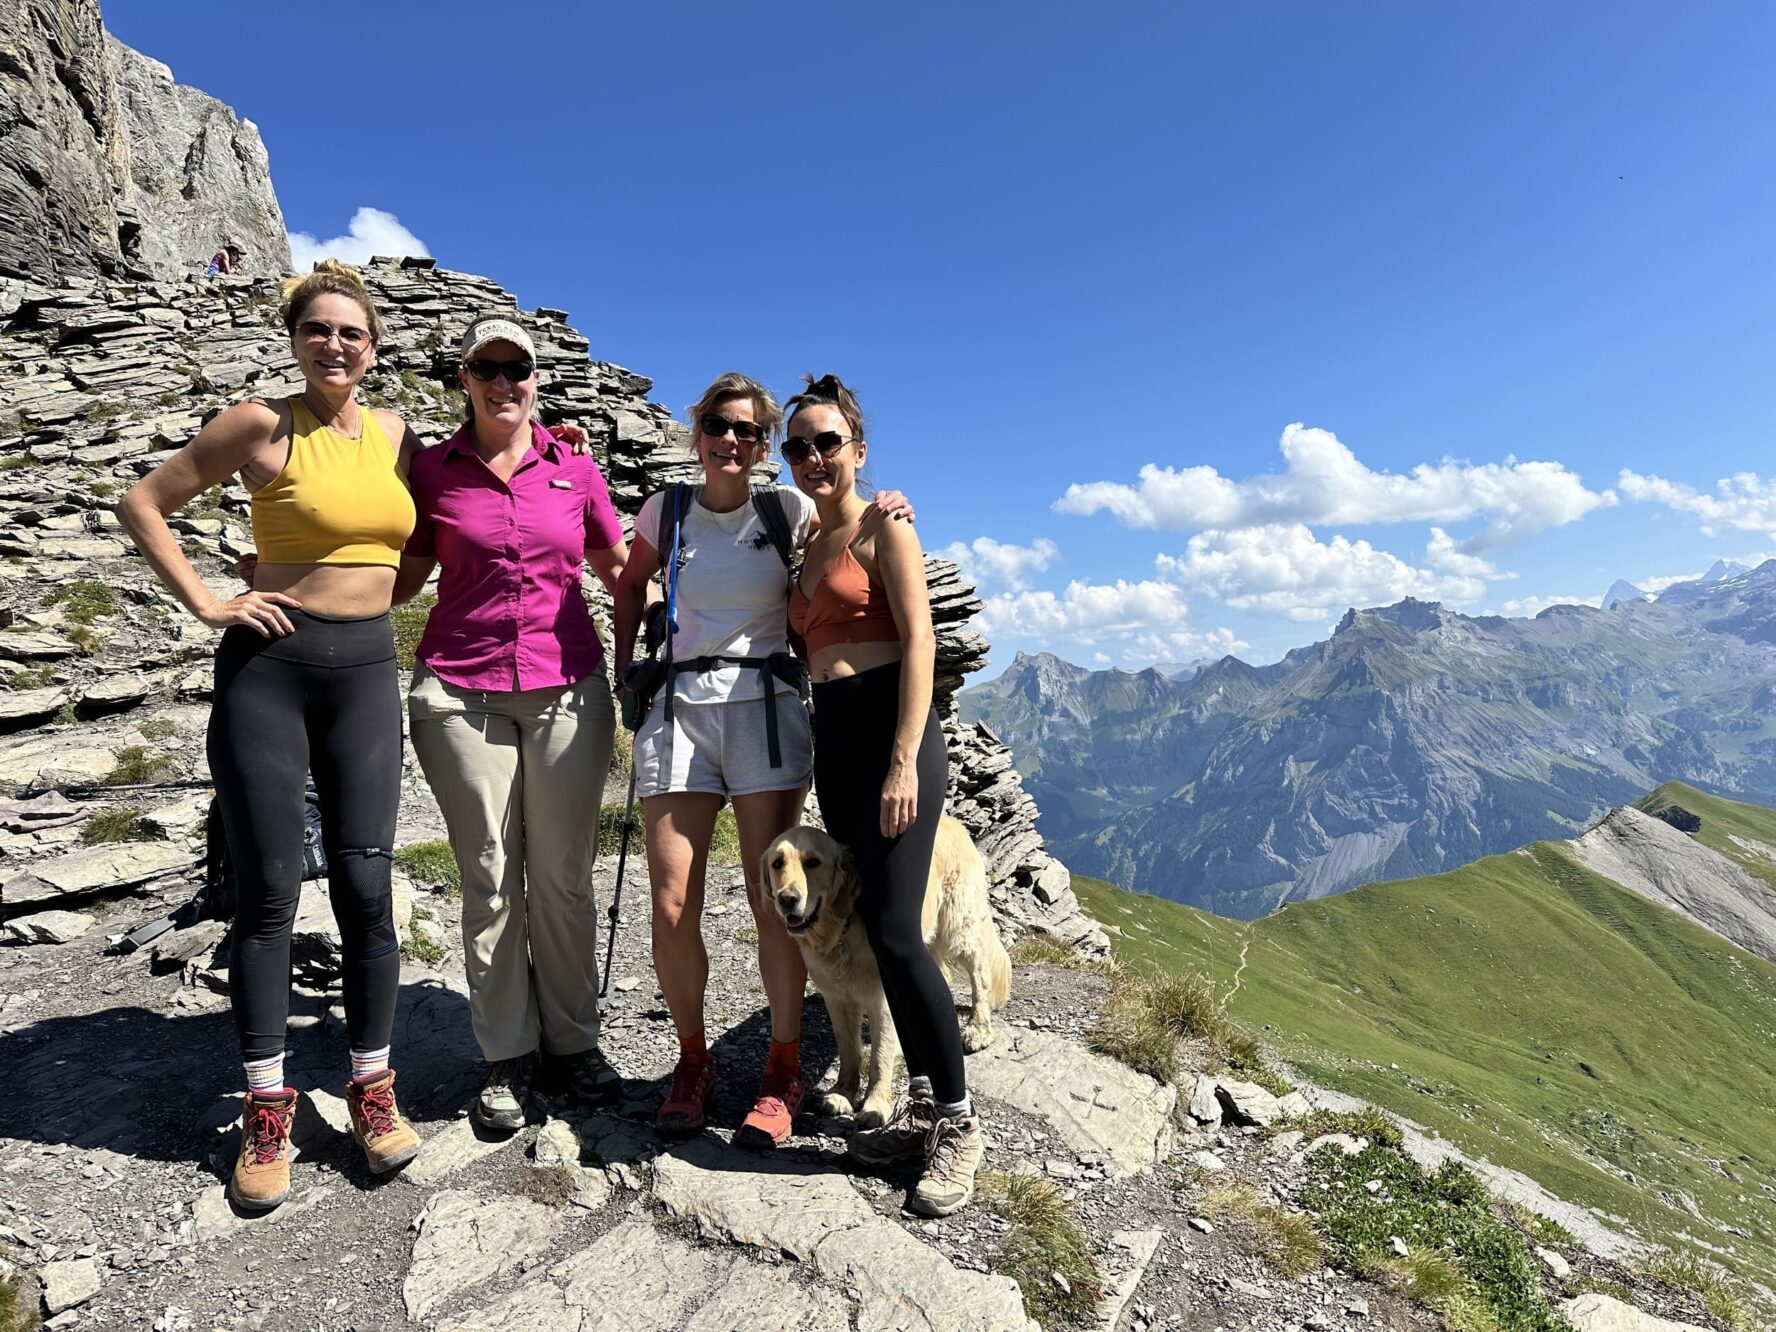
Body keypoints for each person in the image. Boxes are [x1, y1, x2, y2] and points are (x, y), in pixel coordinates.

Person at [117, 260, 424, 1212]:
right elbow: (142, 502)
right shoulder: (261, 422)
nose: (337, 345)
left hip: (369, 670)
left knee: (369, 885)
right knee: (269, 896)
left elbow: (421, 541)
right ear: (296, 338)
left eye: (354, 332)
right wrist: (213, 602)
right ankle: (266, 1107)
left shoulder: (398, 434)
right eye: (320, 329)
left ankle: (372, 1090)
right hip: (271, 671)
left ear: (375, 348)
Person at [612, 374, 913, 1148]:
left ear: (763, 446)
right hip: (678, 709)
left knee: (775, 898)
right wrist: (625, 671)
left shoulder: (788, 510)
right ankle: (692, 1061)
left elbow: (851, 528)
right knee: (673, 902)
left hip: (764, 713)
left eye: (750, 431)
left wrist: (893, 508)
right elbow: (627, 581)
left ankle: (782, 1068)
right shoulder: (665, 509)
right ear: (698, 430)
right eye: (720, 425)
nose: (733, 441)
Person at [395, 315, 629, 1130]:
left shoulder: (576, 469)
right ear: (463, 378)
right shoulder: (432, 471)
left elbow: (620, 567)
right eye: (486, 368)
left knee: (563, 877)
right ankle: (505, 1056)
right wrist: (299, 588)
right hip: (459, 692)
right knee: (490, 873)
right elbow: (402, 571)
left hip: (569, 689)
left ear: (537, 377)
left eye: (517, 368)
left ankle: (574, 1043)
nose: (503, 382)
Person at [783, 373, 984, 1217]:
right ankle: (926, 1110)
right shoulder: (805, 544)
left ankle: (962, 1126)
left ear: (858, 450)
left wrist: (905, 759)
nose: (814, 456)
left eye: (829, 441)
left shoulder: (884, 529)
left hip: (892, 744)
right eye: (799, 445)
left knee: (900, 935)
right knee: (871, 926)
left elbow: (920, 640)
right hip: (836, 744)